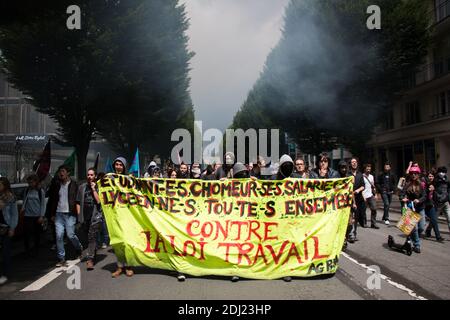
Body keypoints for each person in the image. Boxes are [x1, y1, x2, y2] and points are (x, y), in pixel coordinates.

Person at [47, 165, 82, 267]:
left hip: (70, 214)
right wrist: (51, 214)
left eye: (62, 171)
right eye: (59, 172)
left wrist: (79, 215)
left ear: (68, 173)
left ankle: (78, 248)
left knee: (70, 235)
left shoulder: (74, 185)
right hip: (58, 214)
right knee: (59, 235)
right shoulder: (56, 185)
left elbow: (78, 201)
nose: (60, 173)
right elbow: (52, 200)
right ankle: (61, 258)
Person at [110, 157, 134, 277]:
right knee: (117, 241)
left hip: (127, 213)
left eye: (120, 165)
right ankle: (120, 267)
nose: (118, 166)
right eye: (116, 164)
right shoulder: (109, 179)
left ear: (124, 167)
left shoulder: (128, 179)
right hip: (114, 213)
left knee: (127, 241)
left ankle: (129, 266)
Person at [76, 168, 104, 270]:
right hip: (85, 216)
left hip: (95, 216)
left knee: (91, 236)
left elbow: (99, 201)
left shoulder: (99, 187)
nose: (89, 177)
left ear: (95, 176)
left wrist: (93, 189)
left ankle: (90, 259)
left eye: (91, 175)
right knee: (89, 237)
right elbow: (78, 202)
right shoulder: (82, 187)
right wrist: (79, 215)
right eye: (88, 175)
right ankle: (93, 252)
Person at [399, 166, 426, 253]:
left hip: (420, 207)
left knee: (421, 227)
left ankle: (410, 237)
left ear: (418, 175)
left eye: (415, 174)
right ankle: (417, 245)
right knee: (415, 228)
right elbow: (401, 194)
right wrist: (403, 198)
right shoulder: (407, 184)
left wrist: (419, 200)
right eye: (412, 174)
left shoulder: (422, 184)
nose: (413, 175)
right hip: (410, 208)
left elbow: (425, 196)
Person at [21, 173, 46, 256]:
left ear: (36, 182)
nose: (30, 184)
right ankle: (27, 250)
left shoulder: (40, 191)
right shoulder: (27, 190)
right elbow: (25, 200)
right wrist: (23, 209)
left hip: (36, 216)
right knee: (26, 233)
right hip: (27, 215)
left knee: (36, 234)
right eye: (29, 183)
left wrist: (41, 216)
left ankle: (36, 250)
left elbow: (43, 204)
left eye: (31, 182)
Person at [0, 177, 18, 285]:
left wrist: (12, 228)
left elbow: (14, 214)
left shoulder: (11, 198)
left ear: (5, 186)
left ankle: (6, 274)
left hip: (6, 227)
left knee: (5, 252)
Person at [337, 161, 356, 251]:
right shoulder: (336, 177)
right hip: (338, 205)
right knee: (340, 223)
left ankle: (346, 236)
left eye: (345, 168)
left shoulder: (349, 177)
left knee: (349, 223)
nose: (343, 169)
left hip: (348, 205)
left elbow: (351, 191)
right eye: (342, 168)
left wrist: (354, 202)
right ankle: (343, 240)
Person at [349, 157, 366, 240]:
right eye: (352, 162)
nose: (354, 163)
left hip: (359, 199)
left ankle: (354, 232)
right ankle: (350, 234)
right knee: (350, 217)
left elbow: (363, 186)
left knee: (356, 217)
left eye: (355, 162)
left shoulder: (360, 174)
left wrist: (358, 190)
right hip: (349, 199)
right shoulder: (348, 175)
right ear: (350, 164)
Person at [424, 171, 444, 242]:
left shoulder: (435, 184)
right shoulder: (425, 184)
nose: (431, 177)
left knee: (433, 220)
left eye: (432, 176)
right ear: (427, 177)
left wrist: (434, 190)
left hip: (433, 205)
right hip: (425, 205)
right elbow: (423, 194)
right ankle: (437, 236)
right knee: (433, 220)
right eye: (429, 176)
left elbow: (438, 194)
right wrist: (428, 190)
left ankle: (430, 232)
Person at [433, 166, 450, 233]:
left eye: (443, 172)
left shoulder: (447, 180)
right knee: (434, 219)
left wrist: (448, 197)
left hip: (446, 202)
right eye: (441, 172)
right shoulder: (435, 180)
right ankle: (428, 229)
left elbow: (448, 189)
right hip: (438, 203)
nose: (442, 173)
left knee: (449, 218)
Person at [362, 164, 379, 229]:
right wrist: (362, 195)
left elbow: (373, 186)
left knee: (374, 209)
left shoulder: (371, 176)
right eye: (367, 169)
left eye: (369, 169)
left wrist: (375, 194)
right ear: (365, 169)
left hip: (370, 195)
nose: (369, 170)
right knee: (363, 210)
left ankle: (373, 223)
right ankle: (364, 222)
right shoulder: (362, 176)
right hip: (364, 195)